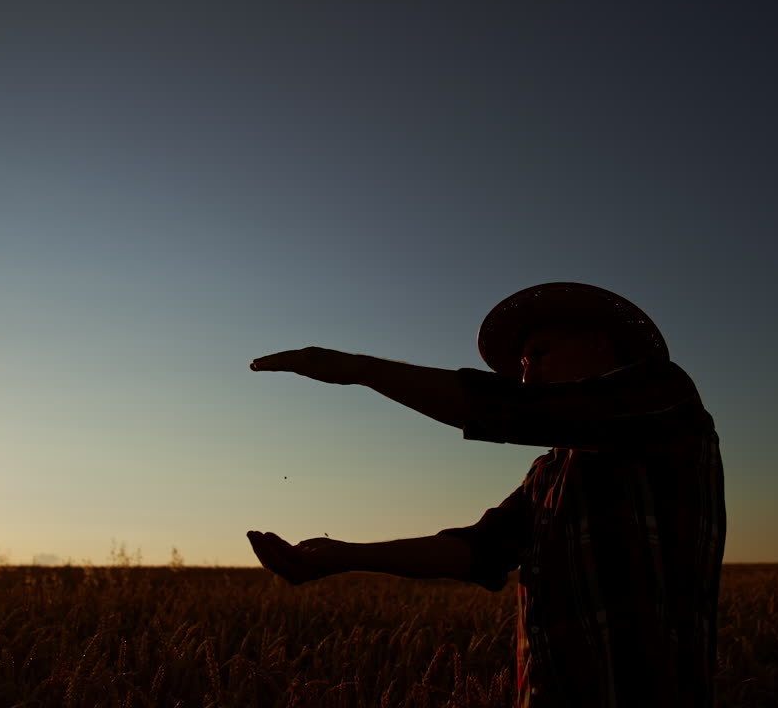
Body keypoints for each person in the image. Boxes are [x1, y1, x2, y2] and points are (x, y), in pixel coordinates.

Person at [247, 282, 726, 707]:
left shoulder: (665, 397)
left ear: (600, 346)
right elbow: (476, 549)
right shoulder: (549, 471)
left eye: (538, 355)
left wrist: (357, 369)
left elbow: (513, 410)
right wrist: (343, 557)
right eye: (520, 366)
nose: (526, 376)